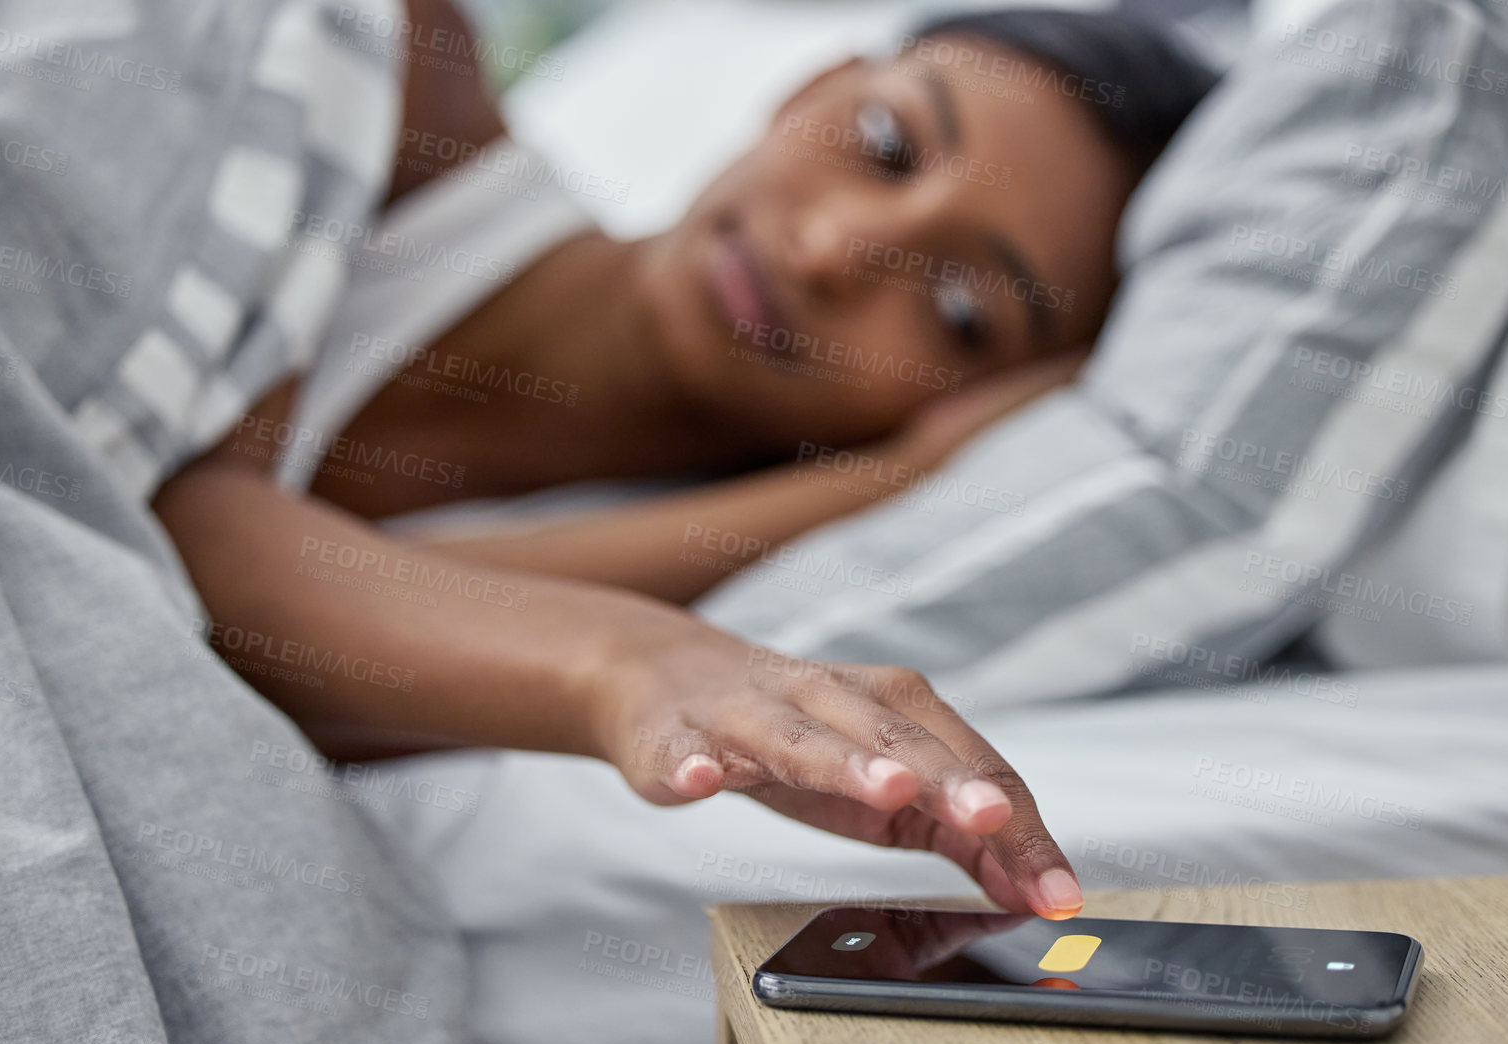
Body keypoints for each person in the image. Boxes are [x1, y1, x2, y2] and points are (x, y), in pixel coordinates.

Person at [152, 3, 1217, 912]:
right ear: (818, 84)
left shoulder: (713, 583)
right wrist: (640, 656)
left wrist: (896, 483)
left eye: (958, 310)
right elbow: (175, 546)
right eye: (887, 143)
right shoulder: (397, 88)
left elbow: (272, 650)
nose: (830, 252)